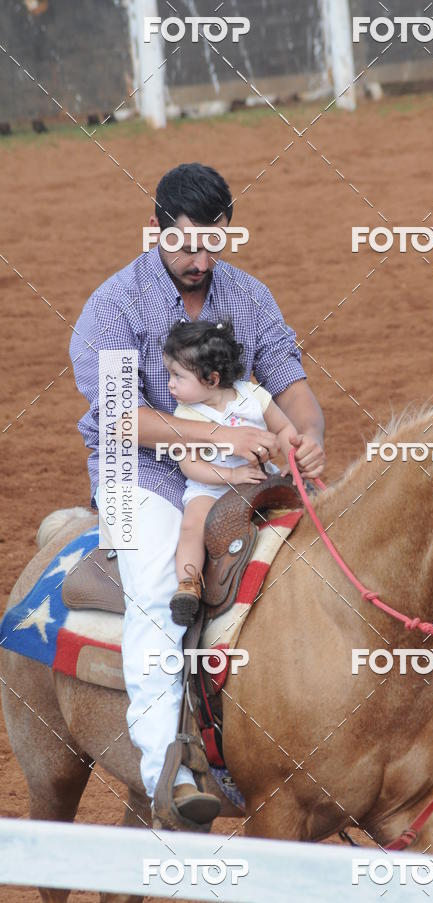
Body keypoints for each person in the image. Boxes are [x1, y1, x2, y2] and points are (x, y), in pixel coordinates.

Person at [69, 162, 325, 827]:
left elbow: (289, 380)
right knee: (158, 589)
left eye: (213, 242)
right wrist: (228, 440)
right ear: (155, 230)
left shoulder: (248, 296)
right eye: (183, 243)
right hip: (136, 472)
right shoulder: (114, 304)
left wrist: (308, 433)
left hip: (238, 464)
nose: (198, 257)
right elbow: (122, 417)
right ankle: (170, 771)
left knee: (321, 553)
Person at [163, 318, 296, 625]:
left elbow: (284, 428)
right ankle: (189, 583)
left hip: (262, 479)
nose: (170, 384)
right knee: (192, 525)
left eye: (177, 376)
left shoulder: (253, 396)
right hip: (210, 488)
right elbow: (190, 464)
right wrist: (232, 477)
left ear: (211, 379)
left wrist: (292, 461)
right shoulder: (187, 414)